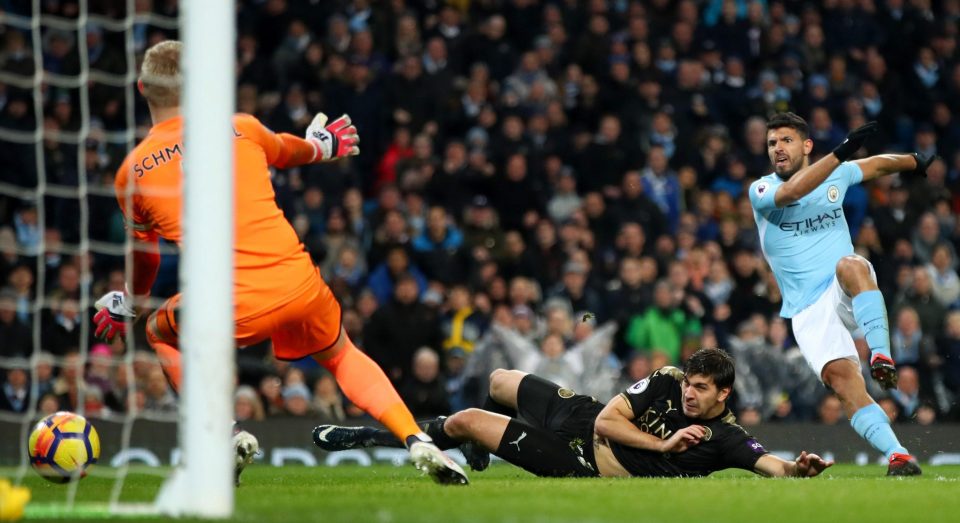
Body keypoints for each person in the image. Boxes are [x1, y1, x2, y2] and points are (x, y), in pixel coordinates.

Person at [91, 40, 467, 485]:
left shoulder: (132, 172)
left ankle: (223, 435)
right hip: (298, 281)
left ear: (140, 87)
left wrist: (129, 302)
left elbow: (146, 258)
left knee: (159, 331)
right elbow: (290, 151)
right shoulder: (241, 127)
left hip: (229, 301)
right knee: (342, 354)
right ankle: (414, 439)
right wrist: (321, 147)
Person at [313, 348, 833, 479]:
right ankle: (476, 447)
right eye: (690, 385)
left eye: (701, 390)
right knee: (498, 381)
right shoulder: (671, 379)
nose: (689, 395)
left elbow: (771, 466)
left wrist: (797, 469)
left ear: (724, 395)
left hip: (579, 458)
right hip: (585, 418)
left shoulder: (725, 438)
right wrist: (663, 444)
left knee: (467, 417)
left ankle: (366, 435)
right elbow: (609, 418)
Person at [748, 112, 934, 475]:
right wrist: (841, 152)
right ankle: (898, 455)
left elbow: (877, 165)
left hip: (842, 285)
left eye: (786, 140)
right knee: (843, 382)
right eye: (772, 143)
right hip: (806, 308)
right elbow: (793, 191)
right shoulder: (761, 190)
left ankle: (881, 355)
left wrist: (915, 161)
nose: (777, 149)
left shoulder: (838, 172)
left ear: (806, 145)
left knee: (851, 264)